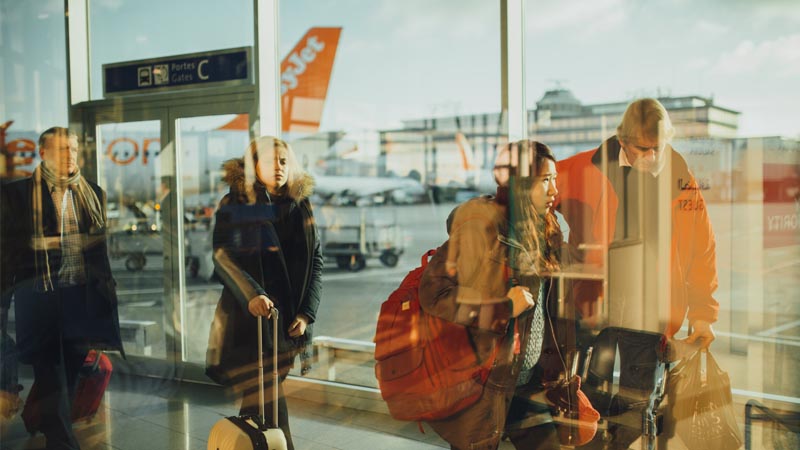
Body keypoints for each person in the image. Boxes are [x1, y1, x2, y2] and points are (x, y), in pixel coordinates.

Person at [419, 140, 596, 450]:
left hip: (530, 382)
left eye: (555, 179)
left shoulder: (547, 229)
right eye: (545, 181)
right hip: (484, 384)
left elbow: (554, 308)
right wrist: (502, 307)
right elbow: (434, 293)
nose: (555, 189)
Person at [555, 98, 718, 346]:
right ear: (623, 142)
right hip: (591, 306)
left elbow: (702, 251)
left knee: (642, 386)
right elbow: (531, 186)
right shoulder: (585, 168)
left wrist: (702, 316)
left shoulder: (682, 181)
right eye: (643, 149)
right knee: (588, 384)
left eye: (658, 148)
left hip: (652, 312)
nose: (652, 156)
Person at [0, 127, 123, 450]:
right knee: (52, 374)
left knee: (67, 377)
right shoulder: (18, 195)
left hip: (81, 300)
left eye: (73, 149)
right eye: (61, 149)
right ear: (43, 154)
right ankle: (63, 443)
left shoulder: (92, 193)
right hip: (40, 300)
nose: (69, 155)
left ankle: (40, 418)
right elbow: (8, 254)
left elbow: (100, 252)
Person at [205, 136, 322, 450]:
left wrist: (306, 312)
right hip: (253, 319)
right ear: (254, 166)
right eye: (271, 161)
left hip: (287, 321)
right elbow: (222, 256)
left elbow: (316, 260)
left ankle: (244, 444)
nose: (280, 167)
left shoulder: (300, 205)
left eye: (284, 161)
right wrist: (252, 294)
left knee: (259, 402)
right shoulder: (237, 204)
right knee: (266, 395)